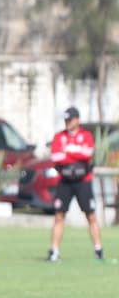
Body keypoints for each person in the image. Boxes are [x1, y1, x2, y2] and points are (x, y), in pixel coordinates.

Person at [48, 106, 104, 262]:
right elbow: (57, 156)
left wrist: (69, 151)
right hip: (64, 181)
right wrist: (75, 153)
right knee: (59, 215)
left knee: (90, 215)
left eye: (70, 119)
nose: (67, 122)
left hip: (83, 181)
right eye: (65, 120)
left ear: (77, 120)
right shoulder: (59, 137)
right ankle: (54, 251)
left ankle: (98, 249)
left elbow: (87, 154)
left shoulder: (86, 135)